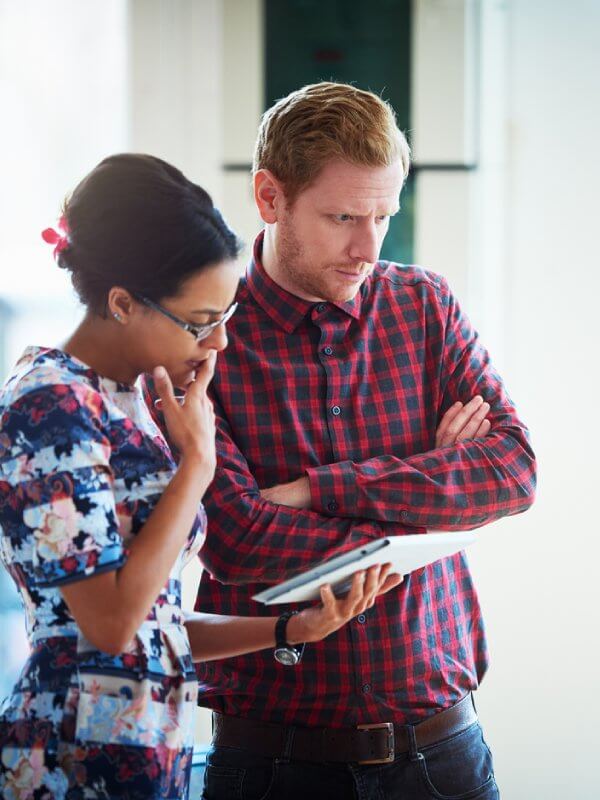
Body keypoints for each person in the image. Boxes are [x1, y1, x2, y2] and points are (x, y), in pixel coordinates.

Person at [0, 154, 401, 800]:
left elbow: (153, 623)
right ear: (124, 303)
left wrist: (286, 631)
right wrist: (198, 466)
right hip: (71, 765)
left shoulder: (132, 395)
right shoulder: (50, 404)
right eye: (201, 322)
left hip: (147, 758)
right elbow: (109, 625)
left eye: (226, 318)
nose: (218, 345)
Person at [189, 83, 537, 799]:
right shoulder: (208, 334)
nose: (367, 247)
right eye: (343, 216)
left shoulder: (424, 305)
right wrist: (434, 488)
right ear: (270, 197)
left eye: (383, 215)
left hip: (444, 753)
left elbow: (513, 472)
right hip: (270, 762)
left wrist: (323, 489)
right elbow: (234, 540)